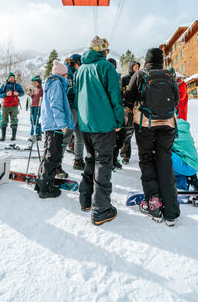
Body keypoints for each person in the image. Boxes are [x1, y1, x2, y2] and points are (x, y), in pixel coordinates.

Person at [124, 48, 180, 227]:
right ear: (161, 60)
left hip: (145, 124)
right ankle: (171, 212)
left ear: (147, 60)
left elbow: (128, 98)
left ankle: (154, 206)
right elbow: (176, 100)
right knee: (165, 160)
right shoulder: (169, 75)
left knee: (147, 159)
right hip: (168, 124)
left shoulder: (140, 74)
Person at [74, 36, 124, 226]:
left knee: (91, 158)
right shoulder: (106, 67)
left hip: (86, 124)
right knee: (104, 162)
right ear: (103, 51)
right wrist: (119, 120)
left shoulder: (80, 71)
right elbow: (115, 96)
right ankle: (101, 209)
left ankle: (85, 199)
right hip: (103, 124)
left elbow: (77, 97)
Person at [35, 60, 75, 199]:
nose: (67, 77)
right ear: (62, 74)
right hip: (54, 124)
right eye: (66, 75)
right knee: (53, 155)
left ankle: (40, 183)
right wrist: (61, 123)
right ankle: (45, 188)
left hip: (50, 124)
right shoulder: (57, 83)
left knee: (48, 153)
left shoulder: (52, 83)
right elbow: (56, 105)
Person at [61, 54, 85, 173]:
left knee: (80, 135)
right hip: (70, 107)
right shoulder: (67, 73)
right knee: (67, 136)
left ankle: (78, 160)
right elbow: (67, 90)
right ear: (76, 63)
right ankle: (57, 163)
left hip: (77, 107)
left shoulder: (75, 72)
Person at [120, 60, 140, 164]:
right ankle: (125, 156)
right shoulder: (125, 79)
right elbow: (120, 93)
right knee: (127, 133)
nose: (136, 68)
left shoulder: (141, 78)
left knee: (141, 133)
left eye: (138, 66)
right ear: (130, 67)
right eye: (134, 66)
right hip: (128, 109)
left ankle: (143, 154)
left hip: (139, 109)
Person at [0, 72, 24, 142]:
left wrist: (18, 93)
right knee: (3, 120)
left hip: (14, 106)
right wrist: (5, 94)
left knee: (14, 120)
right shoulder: (4, 86)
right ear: (8, 78)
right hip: (5, 105)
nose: (12, 79)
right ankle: (3, 136)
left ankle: (13, 136)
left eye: (13, 77)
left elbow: (22, 93)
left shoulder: (17, 85)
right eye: (11, 77)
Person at [27, 76, 43, 142]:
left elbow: (42, 97)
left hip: (38, 105)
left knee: (35, 120)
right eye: (34, 82)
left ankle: (35, 134)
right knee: (32, 120)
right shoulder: (35, 88)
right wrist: (31, 93)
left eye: (36, 82)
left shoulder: (41, 88)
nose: (35, 83)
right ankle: (37, 134)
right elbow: (34, 97)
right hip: (33, 105)